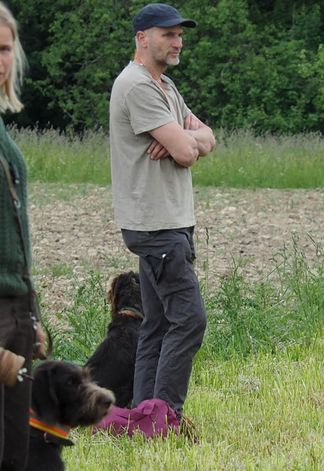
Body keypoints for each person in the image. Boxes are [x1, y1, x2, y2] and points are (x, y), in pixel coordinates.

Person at [109, 3, 215, 422]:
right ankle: (165, 416)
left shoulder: (165, 86)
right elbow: (187, 152)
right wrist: (183, 142)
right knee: (189, 320)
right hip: (157, 226)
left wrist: (186, 139)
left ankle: (142, 413)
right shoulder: (137, 86)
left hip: (169, 222)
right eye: (168, 34)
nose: (178, 42)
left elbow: (206, 138)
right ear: (142, 38)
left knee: (155, 324)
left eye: (180, 34)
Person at [0, 1, 45, 471]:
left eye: (5, 48)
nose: (0, 60)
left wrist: (31, 316)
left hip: (13, 310)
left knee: (12, 459)